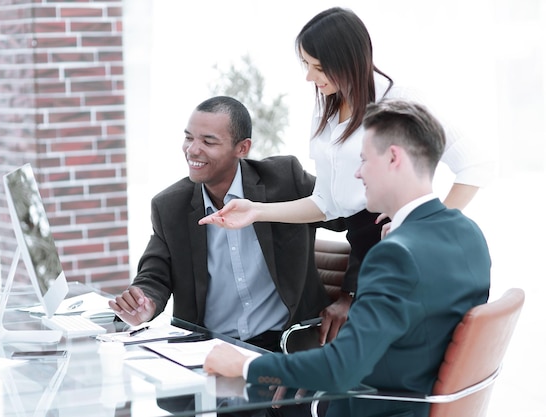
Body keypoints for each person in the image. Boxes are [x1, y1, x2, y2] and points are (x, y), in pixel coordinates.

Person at [199, 7, 496, 343]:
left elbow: (475, 163)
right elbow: (328, 203)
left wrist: (421, 227)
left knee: (379, 368)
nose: (309, 77)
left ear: (349, 60)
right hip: (366, 246)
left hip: (395, 249)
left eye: (319, 67)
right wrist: (257, 211)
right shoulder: (326, 106)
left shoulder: (399, 99)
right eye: (306, 65)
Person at [203, 98, 491, 417]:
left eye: (364, 159)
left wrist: (246, 365)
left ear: (394, 158)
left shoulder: (396, 255)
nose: (357, 173)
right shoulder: (468, 234)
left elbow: (342, 369)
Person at [109, 96, 337, 353]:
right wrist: (145, 301)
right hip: (209, 351)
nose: (192, 150)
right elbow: (155, 273)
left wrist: (353, 296)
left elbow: (358, 215)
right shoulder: (170, 206)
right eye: (189, 137)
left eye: (208, 141)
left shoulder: (285, 180)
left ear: (242, 148)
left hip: (287, 347)